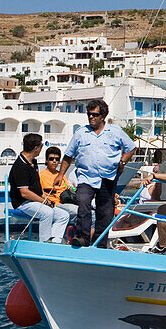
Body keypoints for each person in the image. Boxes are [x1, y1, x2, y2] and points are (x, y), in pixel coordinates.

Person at [56, 99, 137, 247]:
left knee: (105, 213)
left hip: (108, 177)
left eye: (95, 114)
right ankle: (82, 237)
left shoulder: (115, 131)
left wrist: (123, 161)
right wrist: (61, 174)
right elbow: (68, 156)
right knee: (83, 203)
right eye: (89, 114)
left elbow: (131, 148)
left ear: (103, 116)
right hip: (86, 177)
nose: (91, 117)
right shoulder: (81, 133)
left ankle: (100, 243)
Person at [8, 133, 70, 243]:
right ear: (36, 148)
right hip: (23, 203)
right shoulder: (20, 166)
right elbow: (24, 193)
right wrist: (44, 201)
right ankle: (44, 243)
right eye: (41, 146)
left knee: (63, 215)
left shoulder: (33, 162)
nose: (42, 148)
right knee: (47, 213)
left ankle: (55, 242)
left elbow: (37, 186)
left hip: (36, 201)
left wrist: (45, 196)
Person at [40, 145, 78, 219]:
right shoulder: (40, 176)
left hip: (66, 202)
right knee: (83, 212)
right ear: (46, 160)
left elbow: (68, 187)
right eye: (51, 159)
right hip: (55, 205)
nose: (54, 161)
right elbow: (40, 193)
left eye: (57, 159)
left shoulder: (61, 175)